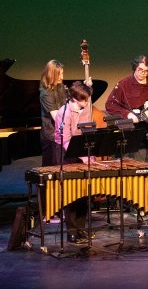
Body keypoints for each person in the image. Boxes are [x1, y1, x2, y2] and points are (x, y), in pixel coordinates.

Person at [51, 81, 95, 243]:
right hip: (65, 153)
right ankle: (71, 230)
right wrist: (82, 156)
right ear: (75, 99)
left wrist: (90, 155)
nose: (86, 103)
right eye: (84, 100)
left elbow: (87, 130)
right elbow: (66, 140)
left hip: (80, 149)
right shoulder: (64, 113)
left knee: (84, 192)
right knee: (70, 192)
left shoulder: (84, 109)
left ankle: (81, 228)